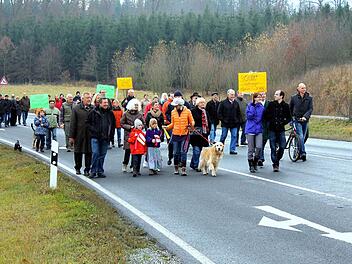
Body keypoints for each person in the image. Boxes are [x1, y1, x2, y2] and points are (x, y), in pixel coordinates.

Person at [164, 97, 194, 176]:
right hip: (175, 134)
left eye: (176, 105)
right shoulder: (173, 112)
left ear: (180, 105)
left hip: (185, 134)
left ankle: (184, 169)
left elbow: (192, 121)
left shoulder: (187, 111)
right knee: (176, 153)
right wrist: (167, 128)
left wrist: (190, 126)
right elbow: (173, 124)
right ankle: (176, 168)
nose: (174, 107)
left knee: (183, 152)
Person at [87, 97, 115, 178]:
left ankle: (100, 170)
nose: (106, 104)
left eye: (107, 102)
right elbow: (88, 124)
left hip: (105, 137)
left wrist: (111, 137)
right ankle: (93, 170)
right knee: (95, 153)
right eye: (104, 103)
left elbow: (112, 126)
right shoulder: (93, 112)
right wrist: (93, 131)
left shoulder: (110, 113)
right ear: (100, 103)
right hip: (95, 137)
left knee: (102, 155)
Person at [264, 90, 291, 172]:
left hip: (281, 129)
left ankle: (277, 158)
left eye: (276, 94)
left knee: (282, 146)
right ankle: (275, 164)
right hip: (272, 129)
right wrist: (270, 122)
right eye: (275, 94)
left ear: (281, 96)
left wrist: (283, 122)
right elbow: (266, 115)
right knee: (272, 147)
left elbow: (289, 117)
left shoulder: (286, 106)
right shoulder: (271, 105)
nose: (274, 95)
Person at [69, 92, 93, 176]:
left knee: (89, 152)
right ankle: (78, 168)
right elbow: (73, 123)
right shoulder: (76, 109)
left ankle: (87, 169)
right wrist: (71, 136)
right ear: (82, 99)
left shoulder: (93, 108)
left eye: (90, 98)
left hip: (90, 134)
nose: (89, 99)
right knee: (78, 151)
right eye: (87, 98)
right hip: (79, 134)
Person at [165, 91, 190, 165]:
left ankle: (181, 161)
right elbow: (167, 113)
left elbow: (190, 115)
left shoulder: (186, 104)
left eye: (179, 96)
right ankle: (170, 157)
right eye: (176, 97)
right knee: (171, 143)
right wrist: (170, 120)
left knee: (183, 147)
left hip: (184, 128)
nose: (177, 98)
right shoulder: (171, 105)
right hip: (174, 127)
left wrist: (189, 124)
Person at [289, 82, 313, 161]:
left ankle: (297, 152)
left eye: (305, 88)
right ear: (298, 89)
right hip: (297, 120)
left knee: (303, 137)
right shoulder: (294, 98)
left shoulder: (309, 98)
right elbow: (290, 109)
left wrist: (305, 117)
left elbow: (310, 109)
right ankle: (303, 153)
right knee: (301, 136)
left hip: (305, 120)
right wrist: (291, 119)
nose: (304, 89)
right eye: (302, 88)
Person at [120, 98, 145, 172]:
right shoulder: (125, 114)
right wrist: (130, 127)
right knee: (127, 151)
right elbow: (122, 123)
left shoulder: (139, 115)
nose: (136, 107)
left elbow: (144, 123)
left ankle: (132, 166)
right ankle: (125, 163)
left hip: (137, 135)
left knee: (134, 151)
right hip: (128, 134)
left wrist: (140, 127)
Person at [217, 89, 242, 155]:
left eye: (233, 94)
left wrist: (238, 121)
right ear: (228, 95)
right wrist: (223, 119)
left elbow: (239, 113)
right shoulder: (223, 103)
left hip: (234, 123)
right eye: (231, 94)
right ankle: (220, 149)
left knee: (234, 136)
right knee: (223, 136)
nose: (232, 96)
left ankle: (232, 149)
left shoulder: (236, 103)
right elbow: (219, 113)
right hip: (225, 123)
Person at [245, 93, 264, 173]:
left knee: (259, 147)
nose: (259, 98)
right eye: (258, 97)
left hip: (259, 129)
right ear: (254, 98)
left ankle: (255, 161)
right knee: (251, 149)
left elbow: (264, 117)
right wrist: (253, 106)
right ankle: (251, 165)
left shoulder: (262, 107)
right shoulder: (250, 106)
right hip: (250, 129)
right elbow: (249, 116)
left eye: (260, 97)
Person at [190, 97, 210, 171]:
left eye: (204, 103)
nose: (203, 104)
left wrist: (208, 131)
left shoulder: (206, 112)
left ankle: (193, 163)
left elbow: (209, 122)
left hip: (204, 134)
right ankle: (196, 165)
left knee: (203, 151)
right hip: (195, 134)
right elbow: (191, 121)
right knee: (197, 150)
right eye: (201, 103)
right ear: (198, 104)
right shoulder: (193, 111)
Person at [258, 92, 269, 166]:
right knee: (260, 142)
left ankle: (259, 155)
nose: (262, 96)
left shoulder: (269, 103)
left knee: (263, 142)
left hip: (267, 126)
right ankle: (260, 158)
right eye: (261, 95)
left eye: (263, 94)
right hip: (258, 126)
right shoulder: (256, 104)